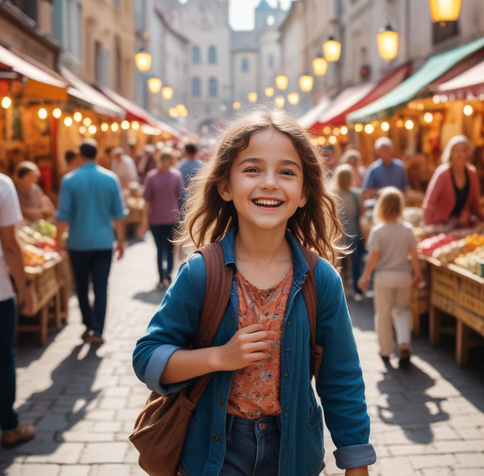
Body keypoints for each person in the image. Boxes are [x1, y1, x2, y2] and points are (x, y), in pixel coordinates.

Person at [133, 108, 376, 475]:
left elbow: (341, 378)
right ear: (225, 186)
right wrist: (219, 357)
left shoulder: (319, 279)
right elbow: (147, 356)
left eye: (287, 172)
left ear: (305, 192)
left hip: (293, 453)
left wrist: (356, 464)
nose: (269, 183)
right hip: (213, 454)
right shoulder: (201, 273)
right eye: (252, 169)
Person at [56, 140, 127, 345]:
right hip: (104, 242)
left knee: (81, 286)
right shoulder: (110, 178)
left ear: (79, 155)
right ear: (97, 155)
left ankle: (88, 324)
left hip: (78, 243)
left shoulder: (70, 180)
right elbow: (118, 214)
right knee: (100, 286)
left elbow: (63, 215)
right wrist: (121, 240)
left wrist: (57, 240)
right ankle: (98, 329)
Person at [358, 187, 421, 369]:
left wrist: (365, 276)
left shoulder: (378, 230)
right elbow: (414, 256)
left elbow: (374, 257)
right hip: (403, 276)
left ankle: (385, 350)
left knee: (383, 315)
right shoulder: (408, 229)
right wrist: (417, 274)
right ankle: (403, 342)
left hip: (384, 277)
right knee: (403, 310)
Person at [0, 173, 36, 448]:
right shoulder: (2, 184)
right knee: (3, 358)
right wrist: (24, 287)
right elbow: (10, 244)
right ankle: (10, 427)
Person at [141, 149, 183, 288]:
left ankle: (165, 274)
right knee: (164, 248)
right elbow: (180, 198)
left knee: (165, 248)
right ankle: (165, 274)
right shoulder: (171, 176)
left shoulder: (155, 176)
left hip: (164, 218)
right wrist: (144, 219)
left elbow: (179, 198)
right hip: (161, 218)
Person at [422, 135, 484, 227]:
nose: (460, 154)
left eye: (463, 150)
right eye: (456, 151)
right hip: (440, 225)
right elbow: (430, 204)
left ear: (468, 153)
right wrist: (427, 226)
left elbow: (476, 204)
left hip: (461, 225)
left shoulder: (472, 173)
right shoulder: (443, 173)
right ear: (450, 154)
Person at [331, 164, 364, 301]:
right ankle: (354, 289)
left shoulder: (334, 194)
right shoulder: (354, 194)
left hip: (341, 234)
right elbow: (361, 212)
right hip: (351, 233)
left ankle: (344, 290)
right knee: (353, 264)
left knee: (341, 265)